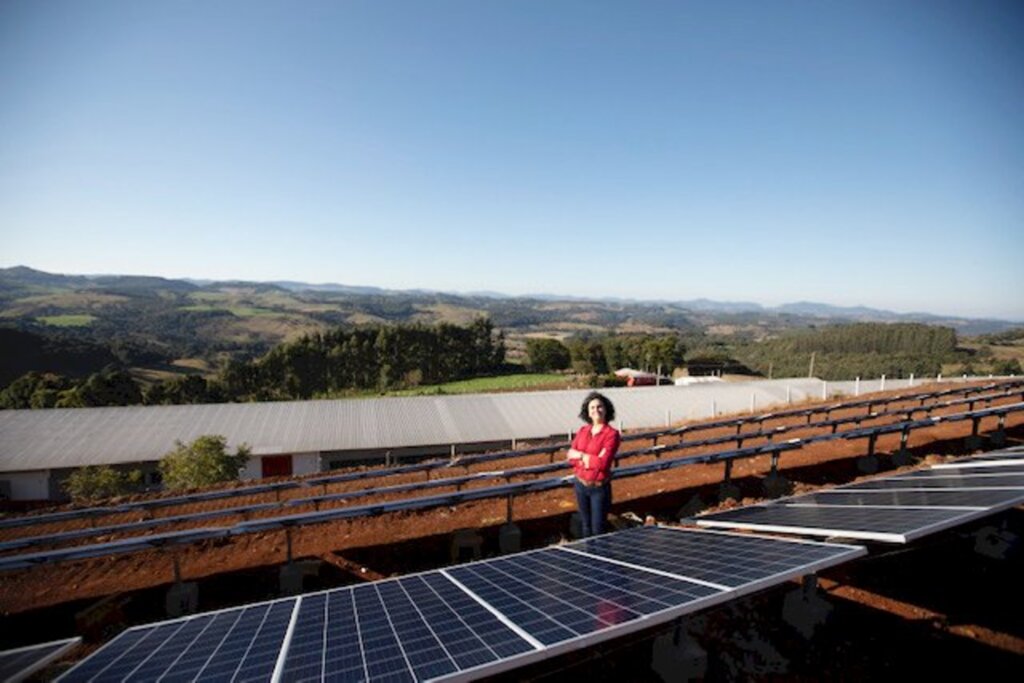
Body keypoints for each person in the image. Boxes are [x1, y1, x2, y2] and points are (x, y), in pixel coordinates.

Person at [567, 391, 621, 537]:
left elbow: (603, 463)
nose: (596, 410)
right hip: (580, 485)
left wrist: (582, 456)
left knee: (598, 529)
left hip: (599, 488)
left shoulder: (611, 434)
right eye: (592, 408)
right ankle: (590, 558)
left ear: (606, 409)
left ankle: (601, 558)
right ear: (588, 412)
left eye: (599, 407)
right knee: (586, 526)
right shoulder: (583, 431)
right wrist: (590, 459)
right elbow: (571, 457)